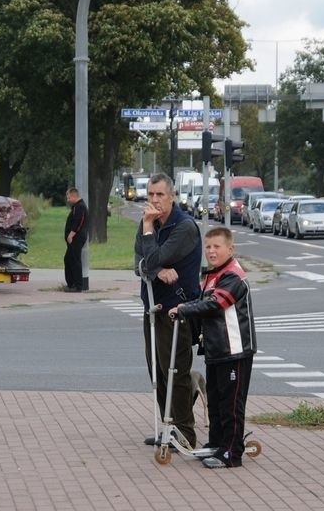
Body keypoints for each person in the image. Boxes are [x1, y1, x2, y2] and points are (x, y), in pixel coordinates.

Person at [168, 227, 257, 469]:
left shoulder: (233, 276)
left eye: (217, 246)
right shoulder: (213, 274)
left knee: (231, 403)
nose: (211, 251)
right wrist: (184, 306)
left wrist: (184, 309)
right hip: (216, 350)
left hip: (234, 351)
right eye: (208, 247)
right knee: (216, 402)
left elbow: (217, 303)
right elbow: (201, 301)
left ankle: (231, 453)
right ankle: (217, 443)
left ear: (230, 249)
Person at [134, 173, 202, 448]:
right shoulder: (148, 224)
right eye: (150, 195)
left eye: (160, 195)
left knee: (174, 370)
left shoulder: (184, 227)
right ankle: (167, 426)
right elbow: (139, 263)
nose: (154, 200)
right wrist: (157, 269)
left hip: (178, 309)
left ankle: (185, 432)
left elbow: (152, 258)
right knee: (158, 372)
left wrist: (153, 258)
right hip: (152, 306)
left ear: (172, 197)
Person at [63, 187, 88, 292]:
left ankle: (77, 285)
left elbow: (79, 222)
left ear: (74, 196)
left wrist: (71, 235)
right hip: (74, 238)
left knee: (75, 260)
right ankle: (71, 283)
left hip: (76, 238)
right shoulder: (75, 207)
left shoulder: (80, 207)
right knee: (68, 259)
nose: (68, 200)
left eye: (68, 197)